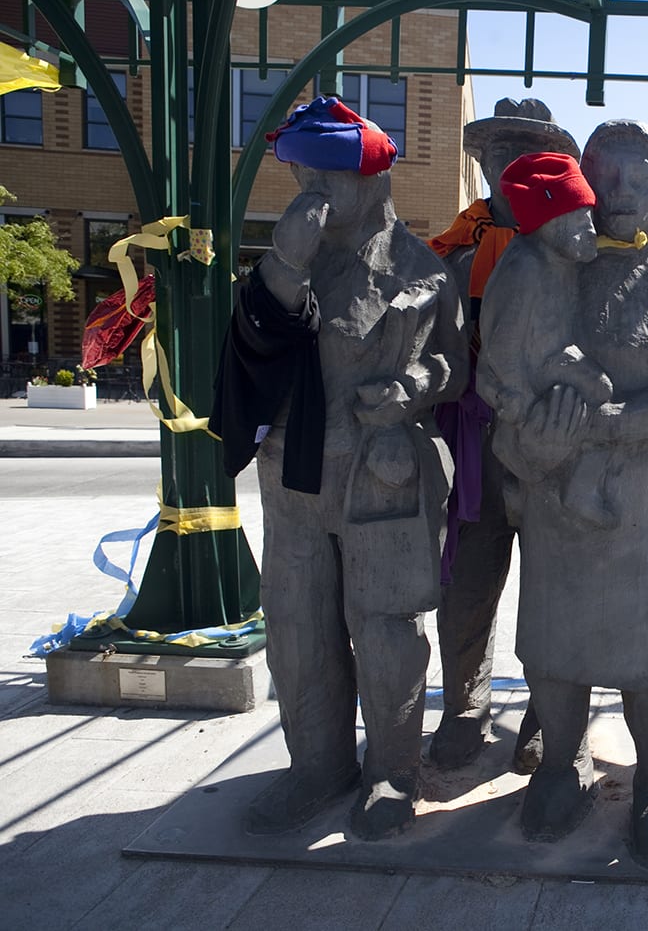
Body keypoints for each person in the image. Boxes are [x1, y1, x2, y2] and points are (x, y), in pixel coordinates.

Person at [211, 96, 468, 840]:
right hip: (290, 473)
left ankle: (392, 770)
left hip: (379, 469)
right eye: (302, 177)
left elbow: (453, 366)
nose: (311, 195)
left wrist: (413, 387)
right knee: (296, 627)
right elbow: (249, 346)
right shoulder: (292, 257)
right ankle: (315, 766)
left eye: (327, 179)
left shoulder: (423, 269)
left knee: (386, 629)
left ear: (375, 181)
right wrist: (286, 263)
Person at [479, 119, 648, 871]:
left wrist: (605, 425)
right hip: (562, 495)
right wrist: (535, 438)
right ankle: (562, 762)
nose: (618, 193)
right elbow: (512, 366)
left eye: (636, 175)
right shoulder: (557, 261)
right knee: (560, 641)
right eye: (603, 176)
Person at [425, 99, 580, 772]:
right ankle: (464, 708)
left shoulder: (579, 251)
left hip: (554, 444)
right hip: (478, 442)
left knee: (553, 588)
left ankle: (547, 714)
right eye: (490, 153)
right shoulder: (454, 250)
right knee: (465, 583)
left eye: (517, 151)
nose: (499, 163)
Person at [479, 151, 617, 528]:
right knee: (601, 390)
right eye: (580, 216)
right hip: (529, 372)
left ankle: (544, 481)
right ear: (548, 220)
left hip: (550, 360)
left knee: (595, 392)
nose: (591, 227)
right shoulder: (527, 266)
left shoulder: (555, 259)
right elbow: (502, 343)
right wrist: (518, 398)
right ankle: (576, 489)